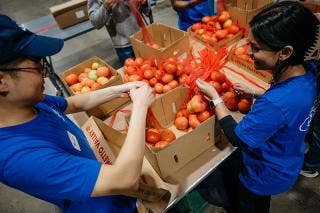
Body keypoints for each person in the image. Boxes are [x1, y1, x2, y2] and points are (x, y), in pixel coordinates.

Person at [0, 14, 154, 213]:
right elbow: (125, 179)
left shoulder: (29, 103)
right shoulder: (18, 157)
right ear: (2, 81)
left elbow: (71, 103)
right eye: (37, 68)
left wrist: (118, 90)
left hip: (108, 185)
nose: (45, 76)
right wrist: (140, 107)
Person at [196, 1, 319, 212]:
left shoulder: (276, 103)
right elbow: (292, 108)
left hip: (262, 174)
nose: (249, 52)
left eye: (256, 48)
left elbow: (237, 138)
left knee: (249, 206)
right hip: (288, 159)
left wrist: (215, 98)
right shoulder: (309, 73)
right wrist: (260, 92)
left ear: (285, 52)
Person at [88, 0, 150, 65]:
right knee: (133, 73)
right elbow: (95, 22)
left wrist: (144, 3)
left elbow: (147, 11)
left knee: (154, 68)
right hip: (125, 46)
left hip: (143, 37)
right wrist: (106, 6)